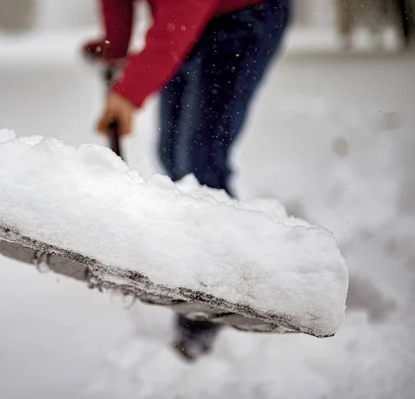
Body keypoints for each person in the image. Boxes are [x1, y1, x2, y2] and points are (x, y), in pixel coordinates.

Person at [84, 0, 290, 361]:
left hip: (242, 17)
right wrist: (115, 51)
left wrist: (128, 94)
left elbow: (180, 18)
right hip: (186, 21)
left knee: (201, 159)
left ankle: (219, 299)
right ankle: (196, 271)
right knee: (171, 155)